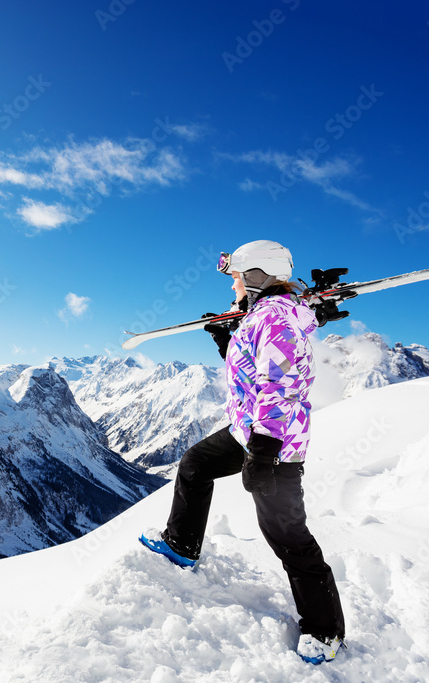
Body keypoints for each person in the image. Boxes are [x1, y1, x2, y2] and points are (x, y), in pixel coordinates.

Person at [139, 239, 346, 665]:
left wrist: (264, 454)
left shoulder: (275, 320)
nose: (232, 282)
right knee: (195, 464)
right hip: (245, 430)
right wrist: (225, 340)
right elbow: (254, 369)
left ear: (255, 276)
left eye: (236, 274)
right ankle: (182, 543)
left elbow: (281, 387)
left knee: (288, 537)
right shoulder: (263, 317)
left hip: (275, 442)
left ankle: (326, 632)